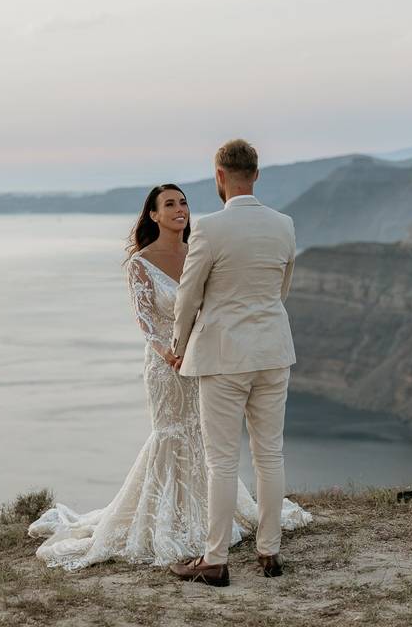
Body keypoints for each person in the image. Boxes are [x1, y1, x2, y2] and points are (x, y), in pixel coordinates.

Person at [28, 182, 310, 571]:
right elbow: (145, 321)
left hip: (210, 359)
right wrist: (170, 353)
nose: (180, 209)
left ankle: (206, 522)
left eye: (184, 202)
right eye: (170, 204)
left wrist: (195, 349)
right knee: (173, 433)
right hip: (167, 366)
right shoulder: (141, 262)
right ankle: (168, 517)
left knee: (206, 441)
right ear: (154, 215)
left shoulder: (202, 246)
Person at [168, 139, 298, 587]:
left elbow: (188, 296)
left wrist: (178, 342)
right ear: (256, 175)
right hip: (273, 350)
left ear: (219, 176)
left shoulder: (209, 229)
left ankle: (216, 559)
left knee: (222, 461)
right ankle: (270, 551)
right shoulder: (284, 225)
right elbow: (282, 288)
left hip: (223, 356)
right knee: (270, 453)